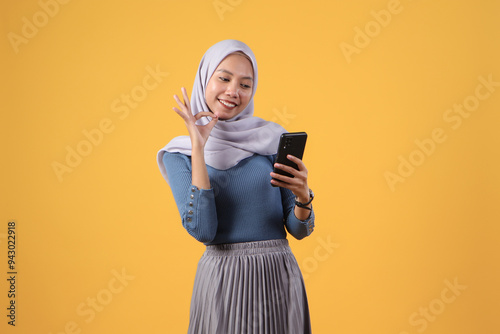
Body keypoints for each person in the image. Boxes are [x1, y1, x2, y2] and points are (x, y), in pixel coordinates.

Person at [157, 39, 315, 334]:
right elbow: (203, 230)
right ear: (205, 78)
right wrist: (199, 147)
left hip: (278, 275)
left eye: (245, 84)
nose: (233, 91)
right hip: (223, 279)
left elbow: (299, 230)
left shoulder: (269, 141)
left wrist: (303, 197)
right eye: (224, 78)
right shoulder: (180, 155)